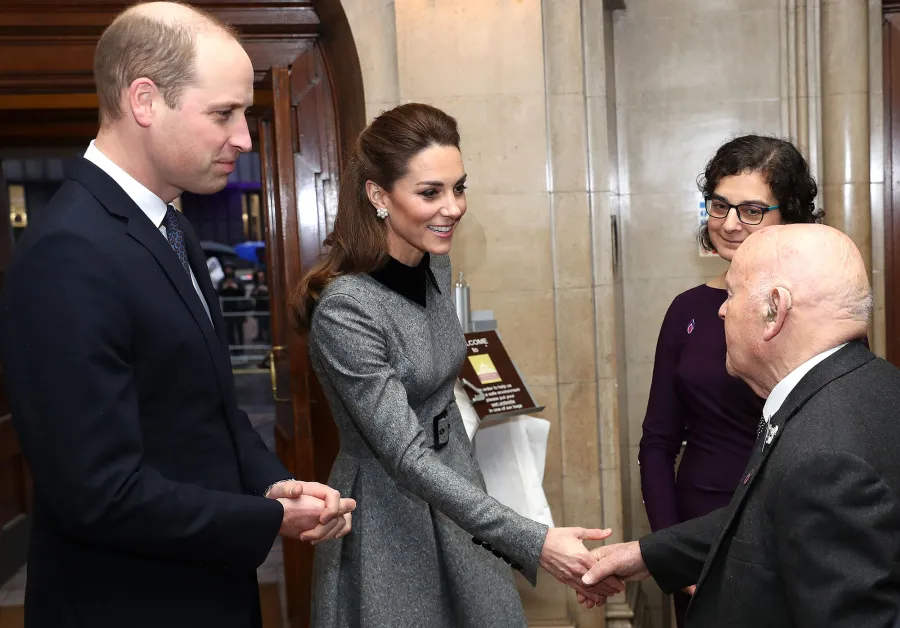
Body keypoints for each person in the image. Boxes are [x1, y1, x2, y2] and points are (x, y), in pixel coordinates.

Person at [0, 3, 354, 628]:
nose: (244, 138)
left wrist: (274, 485)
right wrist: (269, 521)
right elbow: (98, 493)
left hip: (205, 590)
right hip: (127, 604)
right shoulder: (67, 252)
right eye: (224, 113)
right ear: (144, 100)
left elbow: (208, 407)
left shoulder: (173, 230)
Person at [292, 103, 622, 628]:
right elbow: (403, 455)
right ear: (379, 196)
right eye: (430, 192)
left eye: (459, 187)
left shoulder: (434, 263)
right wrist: (533, 542)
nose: (453, 207)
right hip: (389, 514)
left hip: (457, 490)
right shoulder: (347, 310)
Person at [580, 224, 900, 628]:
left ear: (774, 310)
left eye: (732, 294)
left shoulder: (826, 459)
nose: (721, 310)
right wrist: (650, 554)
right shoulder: (870, 385)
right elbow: (773, 516)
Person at [637, 135, 821, 626]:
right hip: (698, 532)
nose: (731, 223)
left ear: (791, 215)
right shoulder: (687, 310)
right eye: (720, 205)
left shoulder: (820, 307)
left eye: (753, 209)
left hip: (791, 532)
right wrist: (672, 554)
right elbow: (657, 444)